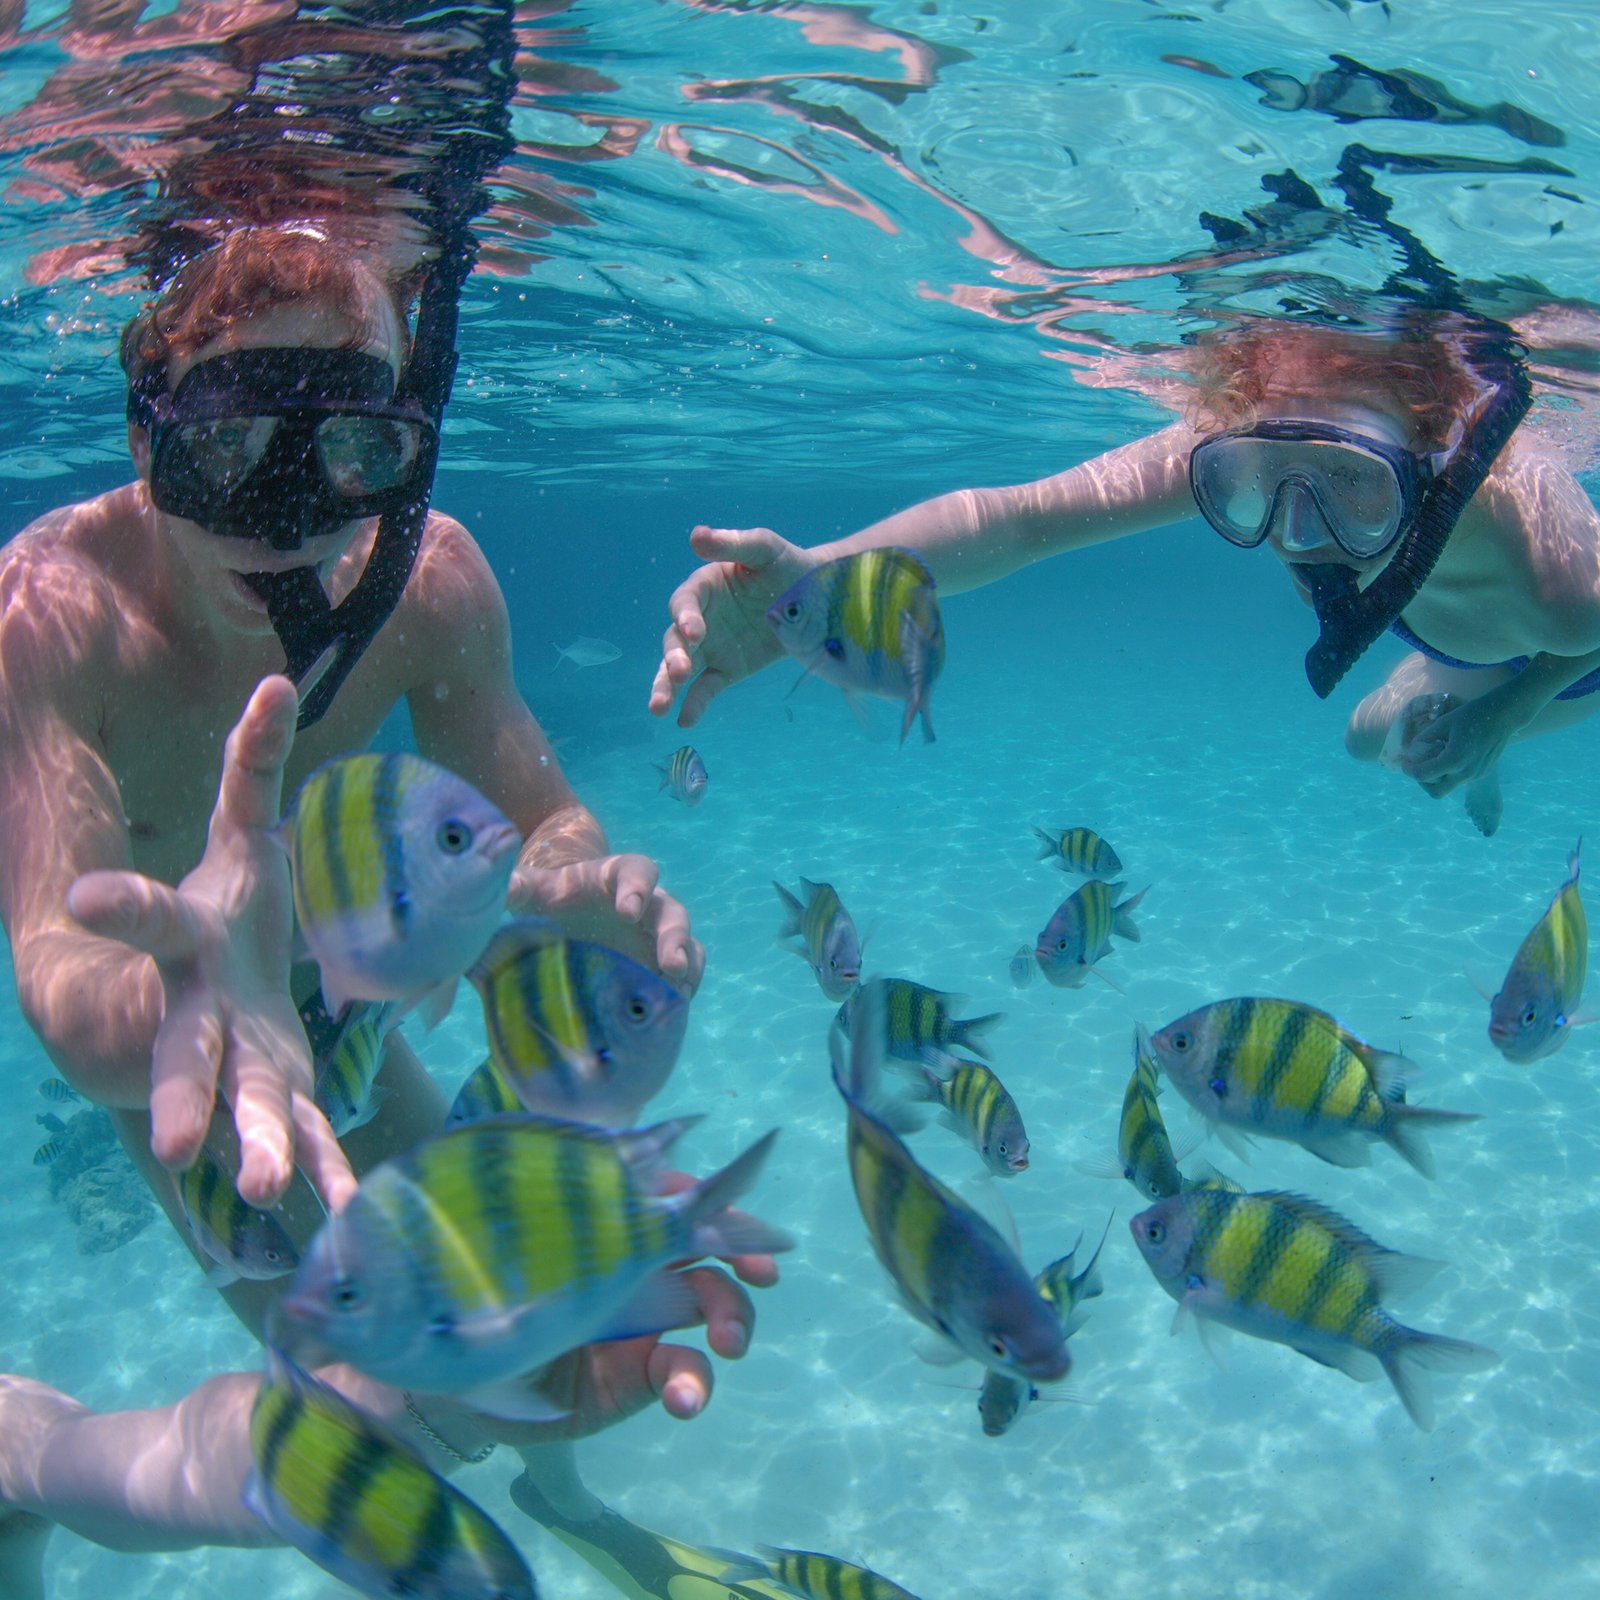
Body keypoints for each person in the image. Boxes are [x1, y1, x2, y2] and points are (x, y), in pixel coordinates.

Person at [0, 224, 776, 1595]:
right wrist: (199, 988)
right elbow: (61, 974)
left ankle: (558, 1481)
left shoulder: (430, 577)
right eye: (231, 447)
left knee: (514, 1333)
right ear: (144, 438)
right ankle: (27, 1459)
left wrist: (558, 886)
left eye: (354, 449)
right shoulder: (53, 614)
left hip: (347, 1002)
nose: (293, 511)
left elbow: (538, 812)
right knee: (363, 1434)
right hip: (186, 1063)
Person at [647, 313, 1600, 837]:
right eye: (1256, 484)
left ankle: (1485, 718)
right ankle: (1457, 700)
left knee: (1481, 712)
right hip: (1451, 634)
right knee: (1366, 742)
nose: (1301, 532)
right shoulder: (1268, 440)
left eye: (1352, 487)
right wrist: (811, 584)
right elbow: (1019, 520)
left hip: (1574, 650)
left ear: (1433, 466)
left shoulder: (1545, 569)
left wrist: (1501, 717)